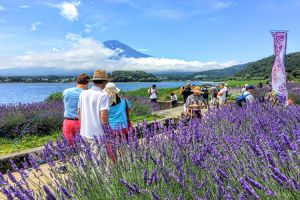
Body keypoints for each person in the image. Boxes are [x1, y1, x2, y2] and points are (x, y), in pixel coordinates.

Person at [78, 70, 110, 156]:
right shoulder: (103, 95)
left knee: (85, 162)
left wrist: (82, 127)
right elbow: (103, 116)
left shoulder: (83, 93)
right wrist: (107, 132)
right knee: (98, 164)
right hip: (97, 134)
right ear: (104, 82)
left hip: (84, 132)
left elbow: (79, 112)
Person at [62, 73, 90, 144]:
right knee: (83, 147)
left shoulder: (66, 91)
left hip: (67, 122)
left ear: (77, 82)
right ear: (87, 83)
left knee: (69, 146)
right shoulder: (87, 93)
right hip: (82, 122)